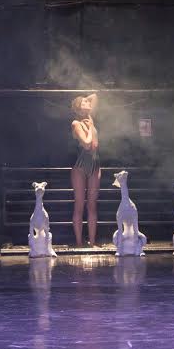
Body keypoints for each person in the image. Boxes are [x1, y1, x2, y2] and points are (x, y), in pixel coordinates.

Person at [70, 93, 100, 247]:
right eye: (84, 102)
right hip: (80, 166)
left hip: (94, 165)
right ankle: (79, 243)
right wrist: (90, 127)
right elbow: (87, 144)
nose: (88, 102)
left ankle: (92, 242)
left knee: (92, 205)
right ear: (78, 108)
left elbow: (95, 95)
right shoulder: (76, 123)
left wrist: (85, 101)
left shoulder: (90, 118)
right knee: (80, 204)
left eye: (88, 102)